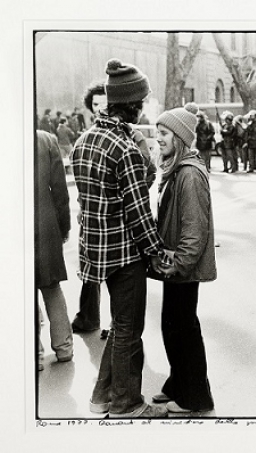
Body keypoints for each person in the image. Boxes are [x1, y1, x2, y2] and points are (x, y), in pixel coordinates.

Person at [71, 58, 167, 418]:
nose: (143, 108)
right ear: (132, 104)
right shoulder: (124, 148)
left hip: (95, 251)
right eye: (141, 102)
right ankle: (127, 403)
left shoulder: (84, 140)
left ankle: (101, 396)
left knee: (120, 327)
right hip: (124, 252)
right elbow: (138, 213)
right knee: (128, 328)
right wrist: (157, 252)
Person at [148, 104, 217, 416]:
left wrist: (179, 265)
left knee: (184, 330)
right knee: (173, 327)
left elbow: (194, 227)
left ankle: (196, 398)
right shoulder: (179, 169)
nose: (158, 139)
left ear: (179, 137)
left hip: (181, 266)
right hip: (174, 264)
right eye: (157, 133)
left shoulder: (189, 174)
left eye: (163, 134)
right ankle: (179, 383)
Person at [36, 130, 74, 371]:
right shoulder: (47, 140)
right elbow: (60, 191)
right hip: (45, 222)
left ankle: (35, 354)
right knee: (51, 287)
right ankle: (64, 348)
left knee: (23, 290)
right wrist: (64, 226)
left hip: (12, 225)